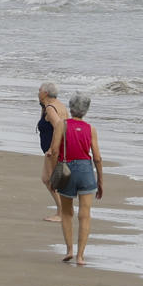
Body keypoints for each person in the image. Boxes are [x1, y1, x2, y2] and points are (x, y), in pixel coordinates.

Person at [51, 91, 104, 265]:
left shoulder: (62, 125)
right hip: (86, 169)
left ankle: (69, 250)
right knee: (85, 214)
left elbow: (55, 150)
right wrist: (100, 180)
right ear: (86, 110)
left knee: (67, 212)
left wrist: (54, 173)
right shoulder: (91, 129)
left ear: (71, 108)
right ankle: (81, 256)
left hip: (67, 168)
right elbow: (96, 156)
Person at [38, 81, 68, 219]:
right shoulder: (58, 105)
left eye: (39, 91)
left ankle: (62, 213)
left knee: (52, 180)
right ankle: (61, 211)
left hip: (54, 149)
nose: (37, 94)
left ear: (45, 93)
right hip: (59, 147)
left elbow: (58, 125)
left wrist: (52, 148)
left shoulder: (51, 108)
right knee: (46, 179)